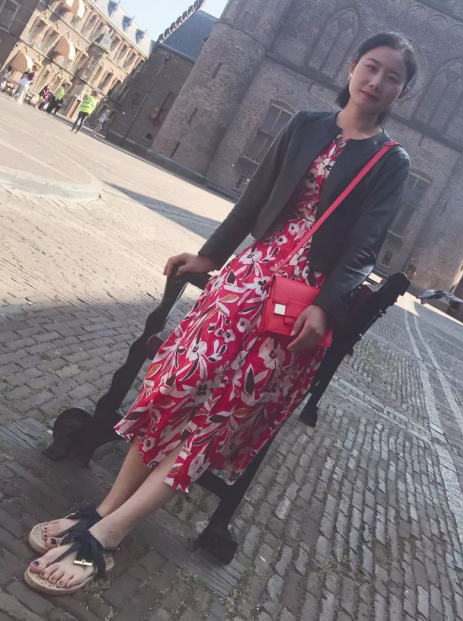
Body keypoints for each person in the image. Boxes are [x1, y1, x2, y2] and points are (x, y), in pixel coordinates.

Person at [24, 32, 417, 595]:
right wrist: (209, 256)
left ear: (402, 92)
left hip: (296, 305)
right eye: (371, 67)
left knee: (218, 416)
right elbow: (255, 200)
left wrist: (326, 309)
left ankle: (111, 532)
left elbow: (364, 247)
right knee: (175, 385)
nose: (376, 82)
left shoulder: (390, 162)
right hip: (245, 278)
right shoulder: (306, 124)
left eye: (392, 77)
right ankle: (105, 509)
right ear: (352, 65)